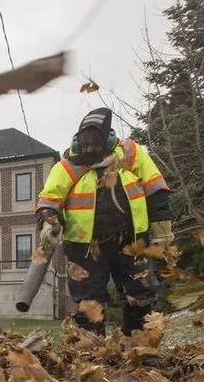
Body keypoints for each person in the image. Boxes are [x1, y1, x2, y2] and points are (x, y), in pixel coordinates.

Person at [35, 107, 174, 336]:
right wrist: (49, 222)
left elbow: (156, 190)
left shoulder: (131, 154)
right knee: (90, 302)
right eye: (85, 144)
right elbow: (49, 199)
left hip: (131, 242)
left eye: (95, 145)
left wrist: (162, 230)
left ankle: (136, 344)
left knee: (141, 294)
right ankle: (91, 349)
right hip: (85, 248)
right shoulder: (68, 165)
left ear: (108, 141)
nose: (89, 150)